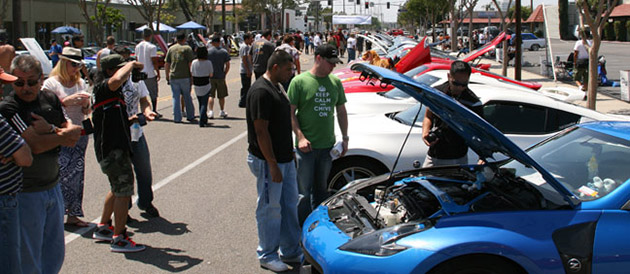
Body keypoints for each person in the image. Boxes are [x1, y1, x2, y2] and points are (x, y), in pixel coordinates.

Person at [0, 54, 82, 272]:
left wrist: (52, 131)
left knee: (54, 254)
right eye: (18, 82)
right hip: (26, 193)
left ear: (41, 79)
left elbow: (73, 131)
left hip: (53, 187)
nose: (25, 87)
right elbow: (34, 146)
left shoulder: (50, 99)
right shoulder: (9, 108)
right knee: (29, 258)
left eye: (31, 82)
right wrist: (61, 134)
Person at [246, 50, 302, 272]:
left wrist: (289, 158)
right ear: (275, 67)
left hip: (285, 159)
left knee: (289, 206)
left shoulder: (278, 86)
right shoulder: (261, 91)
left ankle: (290, 250)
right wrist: (272, 165)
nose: (292, 73)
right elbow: (261, 132)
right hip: (270, 162)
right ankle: (267, 254)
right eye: (289, 69)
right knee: (269, 209)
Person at [91, 54, 147, 252]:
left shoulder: (110, 93)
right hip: (112, 149)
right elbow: (115, 80)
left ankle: (104, 226)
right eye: (122, 69)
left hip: (114, 146)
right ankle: (119, 237)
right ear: (109, 71)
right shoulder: (104, 87)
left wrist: (132, 118)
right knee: (124, 192)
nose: (126, 74)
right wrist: (131, 63)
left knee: (116, 188)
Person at [287, 44, 348, 224]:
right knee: (303, 193)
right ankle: (300, 230)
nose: (333, 66)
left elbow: (341, 111)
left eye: (335, 63)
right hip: (306, 149)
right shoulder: (299, 82)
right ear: (319, 58)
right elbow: (289, 113)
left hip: (327, 146)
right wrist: (300, 137)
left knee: (321, 191)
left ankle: (318, 228)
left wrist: (345, 138)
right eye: (330, 62)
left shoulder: (335, 82)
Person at [42, 47, 92, 227]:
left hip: (79, 133)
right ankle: (54, 214)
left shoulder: (80, 83)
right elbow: (45, 109)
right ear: (63, 63)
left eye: (79, 65)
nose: (76, 69)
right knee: (59, 174)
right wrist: (65, 102)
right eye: (73, 64)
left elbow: (87, 111)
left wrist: (86, 104)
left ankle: (73, 214)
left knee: (77, 175)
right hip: (59, 134)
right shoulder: (51, 84)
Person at [113, 46, 161, 218]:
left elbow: (144, 100)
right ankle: (123, 210)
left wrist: (147, 111)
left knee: (144, 170)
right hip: (118, 136)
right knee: (123, 176)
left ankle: (146, 202)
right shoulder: (109, 84)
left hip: (136, 132)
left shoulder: (135, 80)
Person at [0, 69, 32, 274]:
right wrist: (13, 155)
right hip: (3, 199)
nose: (3, 88)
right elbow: (26, 157)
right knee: (10, 264)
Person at [422, 61, 482, 167]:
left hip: (458, 158)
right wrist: (425, 132)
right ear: (449, 76)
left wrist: (482, 156)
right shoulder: (436, 92)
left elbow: (480, 131)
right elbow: (428, 116)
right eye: (456, 83)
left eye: (464, 85)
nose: (460, 88)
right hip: (433, 155)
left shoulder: (473, 102)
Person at [165, 32, 196, 123]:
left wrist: (167, 75)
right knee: (187, 96)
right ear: (184, 39)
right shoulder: (187, 48)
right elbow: (190, 63)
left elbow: (167, 63)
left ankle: (177, 117)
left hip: (174, 76)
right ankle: (190, 115)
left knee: (175, 97)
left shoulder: (171, 49)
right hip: (185, 76)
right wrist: (192, 76)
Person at [135, 28, 162, 118]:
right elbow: (154, 61)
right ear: (150, 36)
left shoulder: (138, 46)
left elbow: (136, 60)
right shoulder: (152, 47)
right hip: (149, 73)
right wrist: (157, 72)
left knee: (141, 93)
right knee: (153, 93)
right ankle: (154, 110)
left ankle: (142, 111)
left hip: (140, 72)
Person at [207, 35, 231, 119]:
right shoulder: (224, 52)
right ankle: (222, 110)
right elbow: (227, 65)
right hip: (220, 76)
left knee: (211, 95)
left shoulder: (208, 52)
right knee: (221, 95)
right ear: (219, 42)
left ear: (213, 43)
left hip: (211, 76)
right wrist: (225, 73)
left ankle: (210, 111)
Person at [191, 46, 214, 127]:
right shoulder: (208, 62)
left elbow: (192, 72)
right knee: (204, 103)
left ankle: (204, 119)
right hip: (205, 84)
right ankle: (202, 119)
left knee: (200, 102)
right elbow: (211, 74)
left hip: (197, 84)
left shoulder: (194, 62)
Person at [574, 30, 593, 96]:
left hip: (580, 61)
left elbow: (576, 53)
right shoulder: (590, 43)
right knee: (586, 77)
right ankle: (585, 90)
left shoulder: (578, 43)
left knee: (577, 78)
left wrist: (575, 62)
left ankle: (580, 87)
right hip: (587, 61)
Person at [238, 33, 253, 108]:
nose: (252, 40)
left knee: (246, 86)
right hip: (244, 70)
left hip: (245, 69)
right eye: (250, 38)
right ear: (246, 39)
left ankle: (244, 101)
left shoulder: (246, 46)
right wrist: (248, 69)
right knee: (246, 86)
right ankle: (243, 102)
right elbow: (244, 59)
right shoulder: (245, 47)